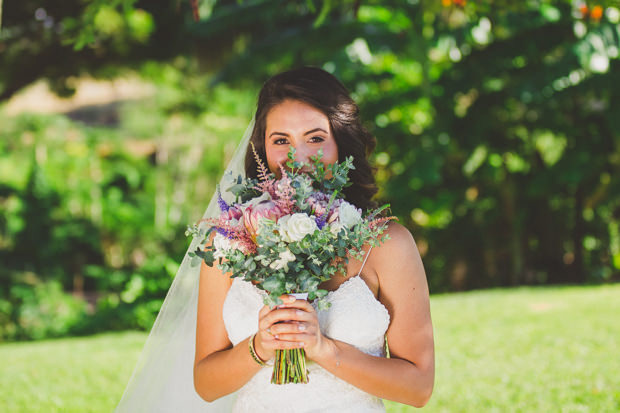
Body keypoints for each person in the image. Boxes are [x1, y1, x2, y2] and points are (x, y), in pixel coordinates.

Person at [115, 67, 434, 413]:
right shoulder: (229, 242)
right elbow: (206, 385)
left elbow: (418, 388)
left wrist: (323, 349)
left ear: (342, 143)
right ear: (262, 149)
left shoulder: (387, 244)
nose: (297, 158)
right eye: (281, 140)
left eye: (315, 138)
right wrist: (259, 347)